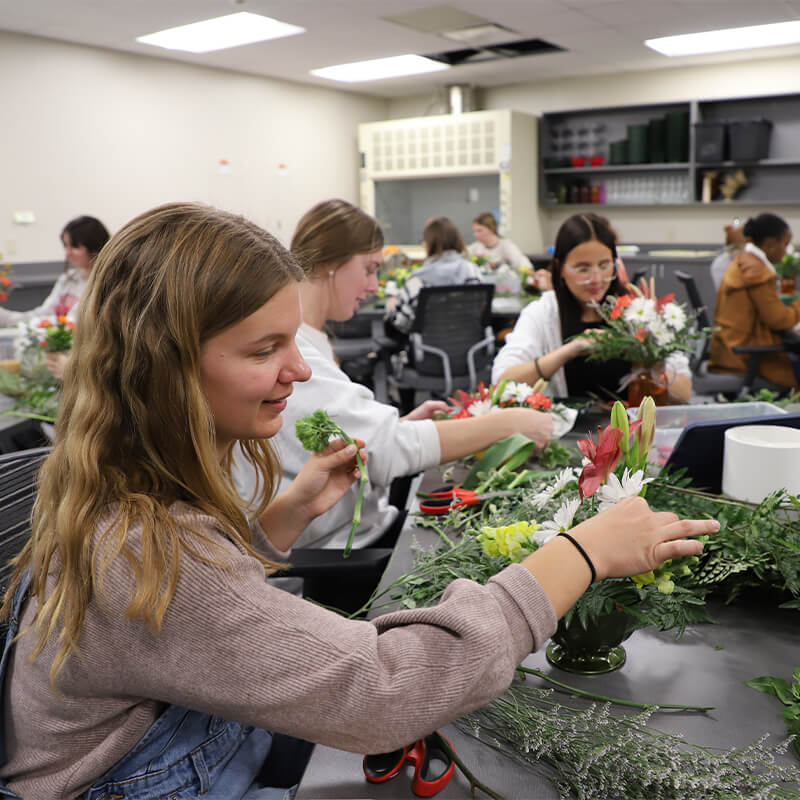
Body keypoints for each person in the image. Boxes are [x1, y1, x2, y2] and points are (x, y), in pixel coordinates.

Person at [0, 201, 718, 800]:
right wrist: (582, 552)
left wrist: (283, 518)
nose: (299, 368)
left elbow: (195, 613)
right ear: (167, 370)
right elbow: (387, 691)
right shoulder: (140, 554)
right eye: (263, 350)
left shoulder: (119, 490)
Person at [235, 198, 553, 551]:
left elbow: (354, 440)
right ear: (331, 264)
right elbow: (387, 449)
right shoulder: (299, 352)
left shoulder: (312, 340)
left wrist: (395, 425)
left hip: (361, 527)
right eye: (369, 269)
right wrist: (508, 423)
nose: (374, 286)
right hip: (349, 548)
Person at [492, 213, 691, 402]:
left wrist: (651, 365)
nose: (596, 279)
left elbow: (684, 393)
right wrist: (568, 351)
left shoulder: (638, 311)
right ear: (560, 268)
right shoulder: (543, 313)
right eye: (583, 269)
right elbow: (502, 383)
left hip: (635, 430)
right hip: (569, 433)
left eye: (604, 266)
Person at [0, 215, 110, 380]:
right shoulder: (68, 279)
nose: (68, 253)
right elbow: (43, 315)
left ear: (94, 246)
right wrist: (6, 317)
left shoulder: (107, 285)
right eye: (65, 246)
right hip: (58, 361)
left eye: (74, 246)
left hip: (83, 367)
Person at [709, 213, 799, 388]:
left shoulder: (745, 261)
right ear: (770, 244)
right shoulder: (757, 271)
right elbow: (778, 320)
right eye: (785, 244)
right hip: (746, 356)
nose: (786, 251)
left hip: (728, 348)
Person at [385, 216, 483, 334]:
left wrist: (391, 305)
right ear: (458, 240)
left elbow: (402, 323)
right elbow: (480, 312)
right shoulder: (472, 271)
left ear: (428, 244)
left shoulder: (418, 279)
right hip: (471, 347)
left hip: (428, 349)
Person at [468, 211, 552, 291]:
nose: (476, 235)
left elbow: (524, 265)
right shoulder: (475, 247)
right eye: (474, 231)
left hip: (504, 289)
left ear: (491, 229)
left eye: (479, 230)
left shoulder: (506, 245)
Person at [710, 221, 747, 290]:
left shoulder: (754, 260)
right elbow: (725, 290)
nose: (738, 253)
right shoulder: (720, 264)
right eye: (735, 248)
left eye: (742, 248)